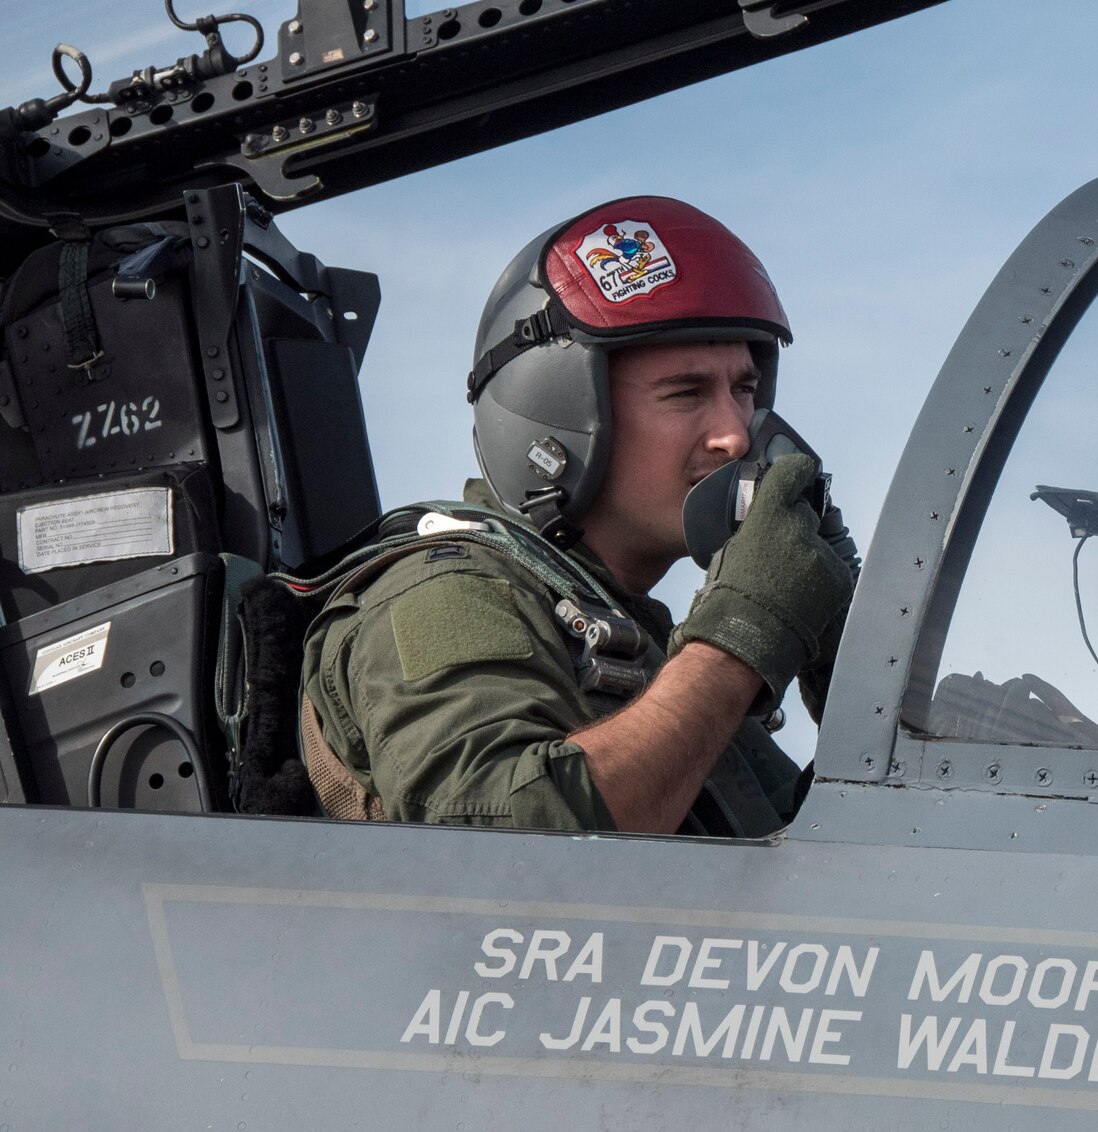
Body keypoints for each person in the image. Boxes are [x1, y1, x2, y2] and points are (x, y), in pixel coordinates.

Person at [298, 197, 855, 835]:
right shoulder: (447, 592)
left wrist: (849, 653)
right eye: (686, 393)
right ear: (559, 418)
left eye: (745, 390)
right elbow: (500, 850)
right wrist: (742, 638)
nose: (735, 435)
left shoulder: (649, 667)